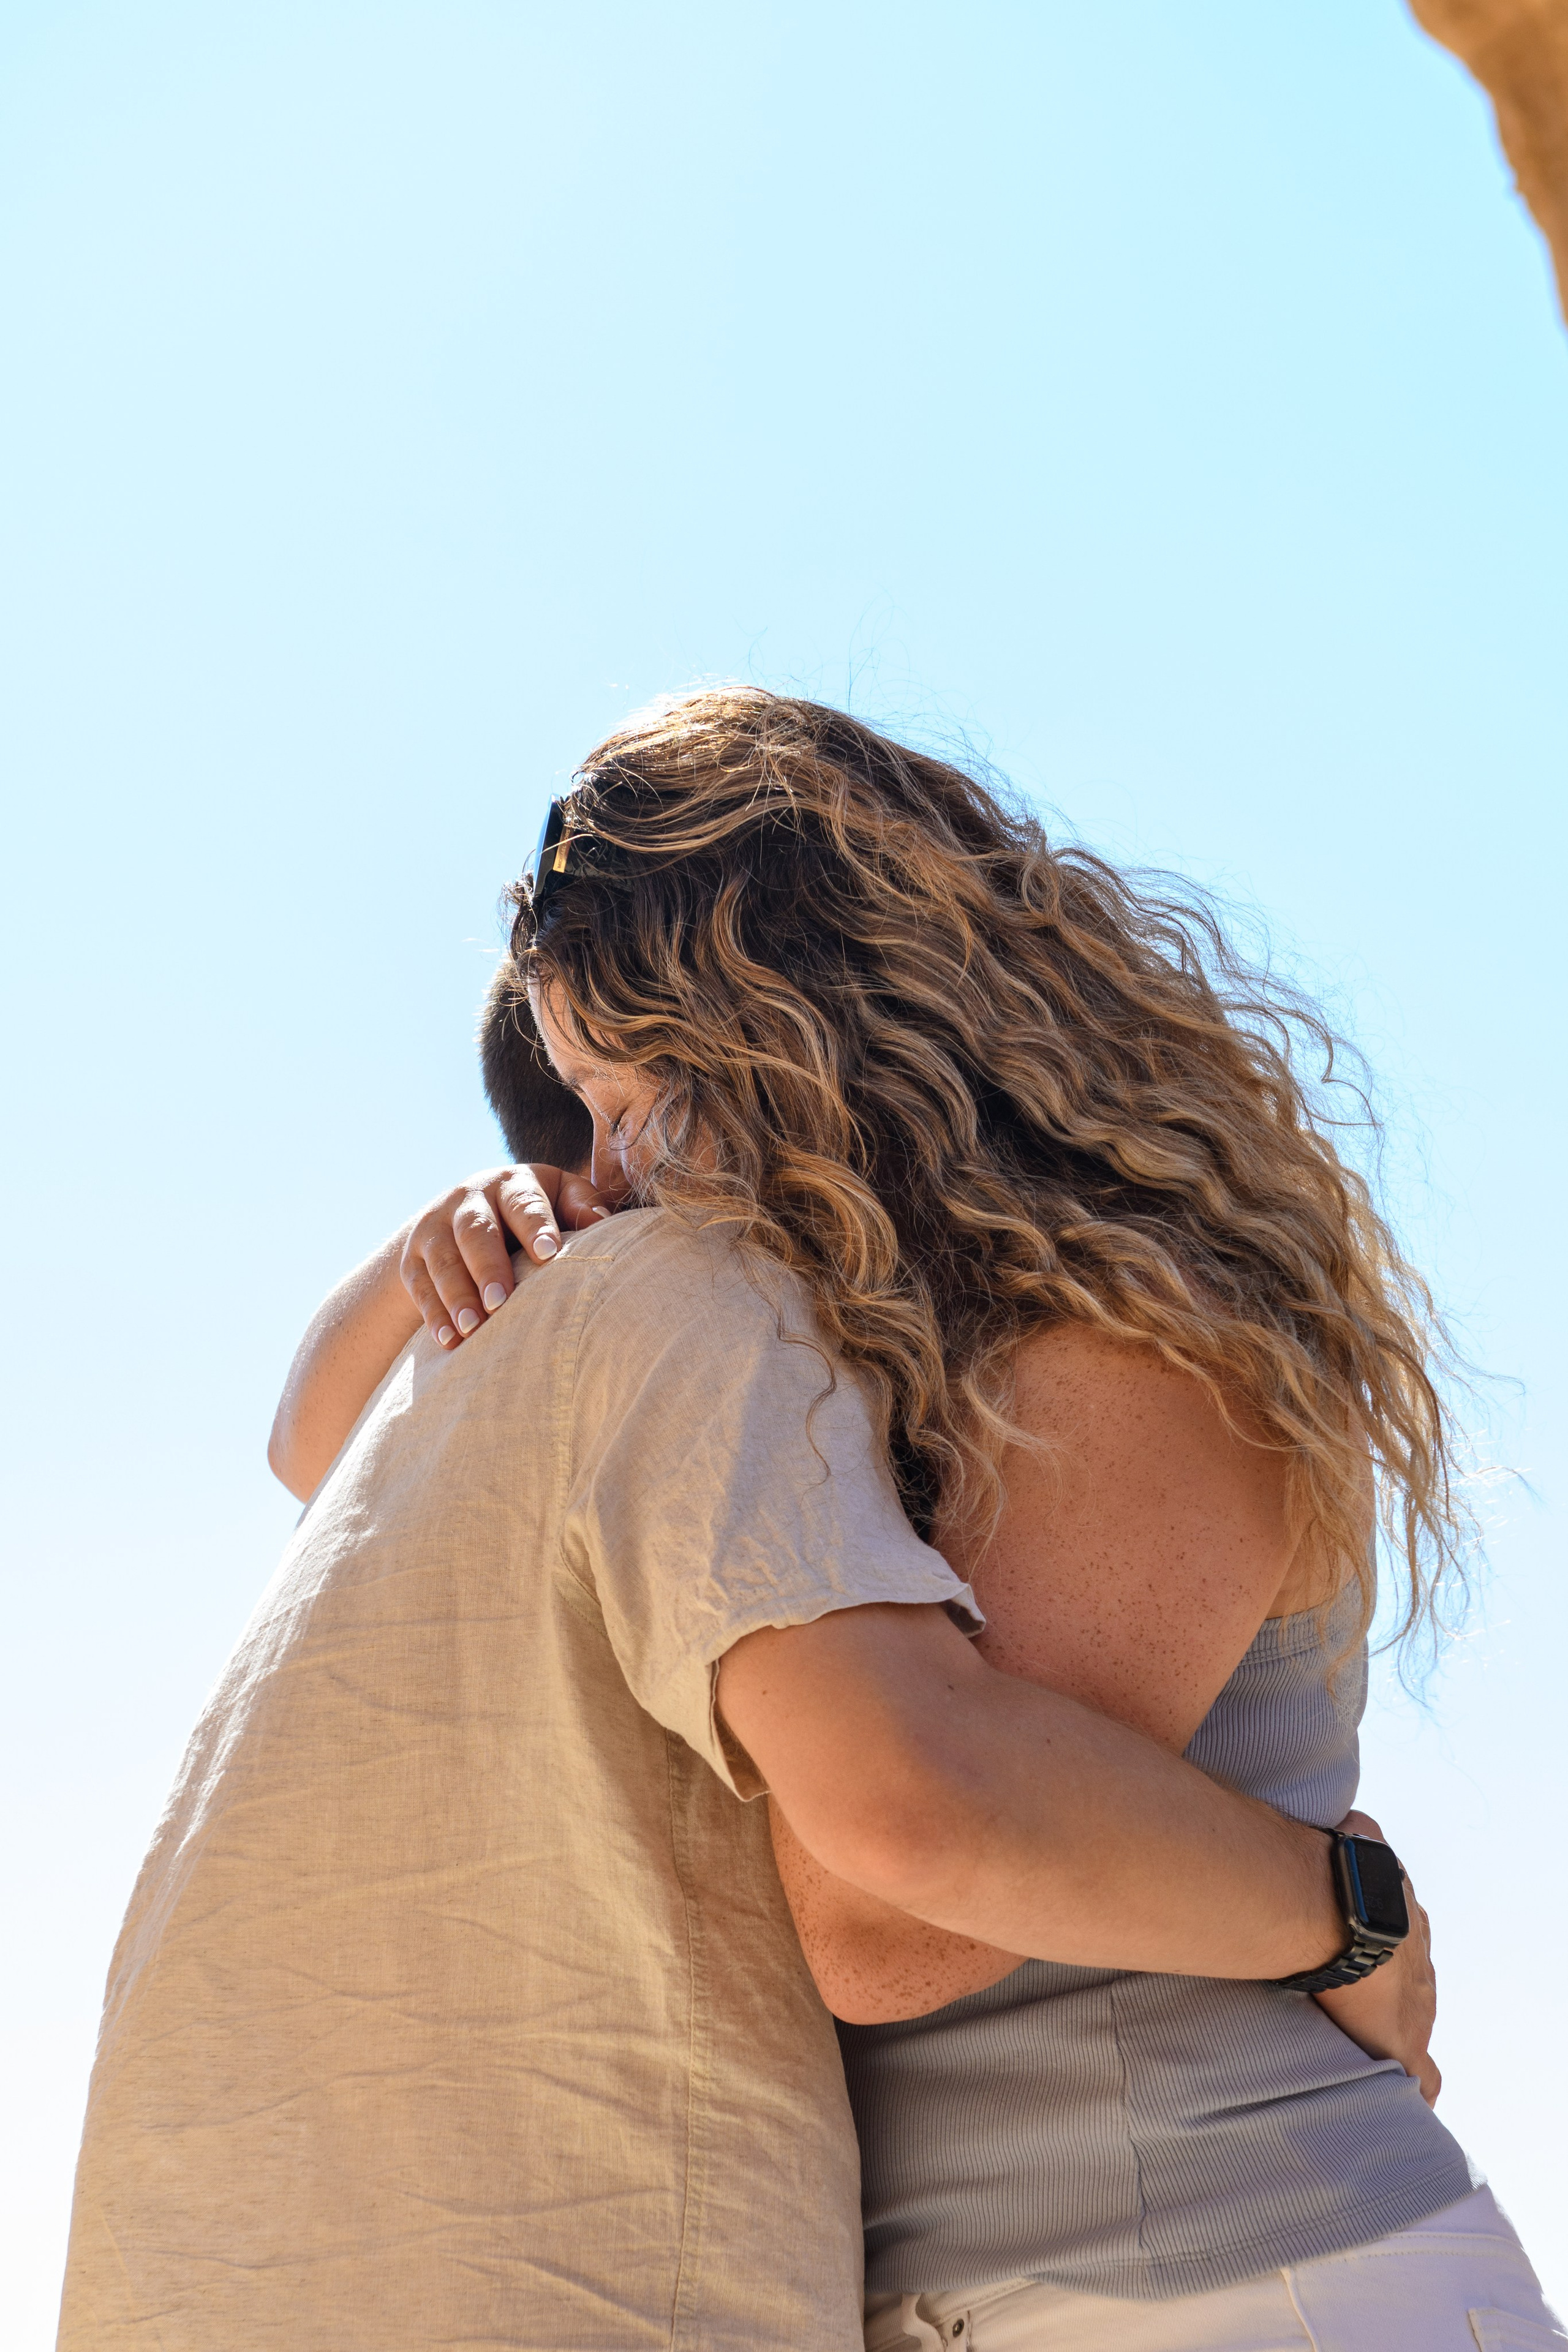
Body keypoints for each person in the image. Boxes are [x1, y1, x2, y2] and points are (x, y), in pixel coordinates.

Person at [41, 691, 1518, 2352]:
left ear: (817, 1034)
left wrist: (1348, 1913)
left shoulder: (1138, 1342)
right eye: (573, 1121)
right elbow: (323, 1466)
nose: (608, 1177)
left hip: (1225, 2277)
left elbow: (892, 1919)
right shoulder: (811, 1387)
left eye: (635, 1099)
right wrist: (429, 1259)